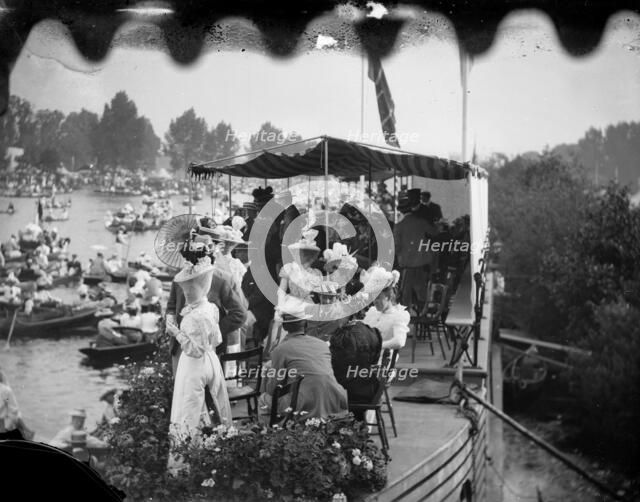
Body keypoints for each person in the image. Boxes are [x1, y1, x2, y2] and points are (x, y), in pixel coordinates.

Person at [166, 256, 232, 474]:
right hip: (211, 361)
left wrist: (176, 332)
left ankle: (186, 463)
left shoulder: (196, 316)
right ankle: (212, 451)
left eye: (189, 291)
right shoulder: (210, 308)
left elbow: (195, 350)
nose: (186, 294)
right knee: (210, 403)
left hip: (194, 365)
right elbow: (218, 340)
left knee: (189, 407)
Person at [166, 226, 247, 375]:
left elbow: (240, 314)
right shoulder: (180, 277)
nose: (190, 262)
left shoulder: (221, 279)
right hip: (180, 346)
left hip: (208, 349)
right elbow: (171, 304)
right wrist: (170, 318)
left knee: (206, 390)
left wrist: (211, 331)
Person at [259, 300, 348, 421]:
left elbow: (273, 389)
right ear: (306, 324)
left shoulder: (280, 350)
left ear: (284, 326)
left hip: (303, 403)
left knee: (264, 399)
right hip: (334, 399)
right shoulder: (322, 345)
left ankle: (270, 434)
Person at [393, 188, 439, 312]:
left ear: (401, 212)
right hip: (423, 262)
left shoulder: (398, 227)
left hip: (407, 264)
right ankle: (422, 311)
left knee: (405, 294)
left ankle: (406, 319)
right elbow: (435, 232)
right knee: (422, 291)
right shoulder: (421, 222)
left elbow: (397, 247)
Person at [329, 320, 382, 420]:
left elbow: (338, 365)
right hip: (372, 388)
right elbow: (374, 360)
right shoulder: (371, 331)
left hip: (355, 393)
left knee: (320, 389)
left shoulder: (345, 336)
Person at [361, 266, 410, 351]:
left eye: (378, 298)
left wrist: (378, 346)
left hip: (381, 359)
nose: (374, 301)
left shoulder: (398, 315)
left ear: (388, 296)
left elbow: (399, 341)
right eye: (373, 298)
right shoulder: (373, 312)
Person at [0, 369, 34, 440]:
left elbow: (12, 410)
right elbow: (13, 411)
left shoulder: (5, 391)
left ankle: (27, 431)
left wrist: (6, 427)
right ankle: (27, 431)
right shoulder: (5, 390)